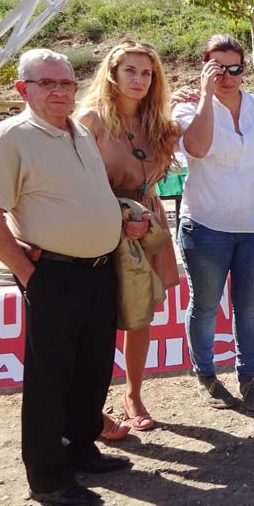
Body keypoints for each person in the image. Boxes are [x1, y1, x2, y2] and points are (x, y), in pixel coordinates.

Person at [0, 49, 135, 506]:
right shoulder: (10, 138)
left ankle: (81, 448)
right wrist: (28, 274)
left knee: (92, 368)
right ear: (23, 89)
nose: (60, 91)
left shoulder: (79, 131)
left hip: (98, 272)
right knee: (50, 379)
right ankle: (47, 476)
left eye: (66, 83)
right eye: (47, 83)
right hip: (54, 276)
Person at [76, 41, 181, 437]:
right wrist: (118, 220)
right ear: (112, 74)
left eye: (147, 73)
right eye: (131, 71)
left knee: (140, 316)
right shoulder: (90, 120)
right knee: (98, 320)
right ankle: (92, 408)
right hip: (104, 224)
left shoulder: (158, 123)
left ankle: (133, 395)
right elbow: (75, 182)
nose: (139, 80)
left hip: (146, 221)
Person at [173, 35, 254, 411]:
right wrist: (204, 95)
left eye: (234, 68)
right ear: (205, 67)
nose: (227, 76)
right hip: (206, 225)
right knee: (204, 305)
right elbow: (197, 148)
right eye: (218, 67)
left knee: (250, 307)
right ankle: (206, 375)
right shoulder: (188, 108)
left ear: (243, 70)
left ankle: (247, 378)